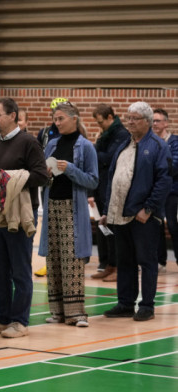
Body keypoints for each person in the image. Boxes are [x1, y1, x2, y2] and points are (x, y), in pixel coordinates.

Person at [0, 98, 48, 338]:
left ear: (13, 116)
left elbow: (42, 176)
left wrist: (8, 177)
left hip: (19, 215)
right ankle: (2, 318)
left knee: (19, 270)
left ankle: (20, 321)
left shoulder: (29, 142)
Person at [101, 102, 171, 322]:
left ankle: (147, 306)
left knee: (147, 261)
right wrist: (107, 210)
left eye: (135, 118)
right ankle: (125, 303)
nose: (129, 121)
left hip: (143, 216)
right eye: (128, 117)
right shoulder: (124, 144)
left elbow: (164, 181)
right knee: (125, 261)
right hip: (120, 214)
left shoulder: (158, 146)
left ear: (147, 122)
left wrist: (148, 209)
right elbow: (113, 178)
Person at [38, 102, 98, 327]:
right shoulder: (51, 144)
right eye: (55, 118)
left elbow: (93, 180)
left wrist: (70, 169)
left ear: (74, 118)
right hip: (52, 206)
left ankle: (77, 314)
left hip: (73, 208)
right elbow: (44, 179)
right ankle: (58, 312)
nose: (57, 122)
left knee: (72, 260)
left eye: (61, 118)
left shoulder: (86, 146)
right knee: (53, 259)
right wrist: (46, 173)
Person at [89, 104, 130, 282]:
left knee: (113, 229)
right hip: (100, 185)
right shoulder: (104, 135)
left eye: (101, 122)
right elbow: (98, 161)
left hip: (112, 187)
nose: (99, 127)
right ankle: (107, 264)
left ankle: (118, 266)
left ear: (110, 118)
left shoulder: (121, 134)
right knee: (102, 228)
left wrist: (93, 151)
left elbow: (111, 158)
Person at [34, 97, 68, 277]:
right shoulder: (45, 133)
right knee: (49, 223)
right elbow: (38, 154)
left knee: (66, 225)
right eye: (55, 115)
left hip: (66, 184)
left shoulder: (72, 133)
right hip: (48, 183)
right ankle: (50, 262)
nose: (58, 119)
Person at [153, 109, 178, 273]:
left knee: (174, 227)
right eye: (152, 121)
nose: (154, 124)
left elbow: (174, 166)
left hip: (172, 192)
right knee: (156, 226)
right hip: (156, 191)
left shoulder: (174, 142)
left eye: (157, 121)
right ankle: (159, 260)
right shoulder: (151, 142)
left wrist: (157, 169)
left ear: (166, 123)